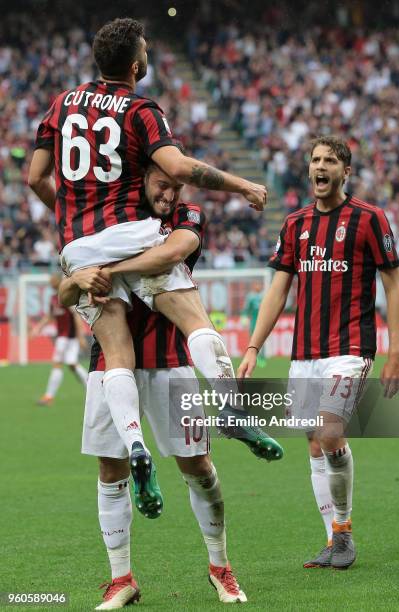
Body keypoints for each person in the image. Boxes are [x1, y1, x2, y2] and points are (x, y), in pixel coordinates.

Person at [28, 17, 268, 509]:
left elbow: (35, 178)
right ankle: (230, 406)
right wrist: (243, 185)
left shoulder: (62, 104)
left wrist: (74, 218)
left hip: (79, 247)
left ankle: (135, 444)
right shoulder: (140, 109)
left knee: (115, 351)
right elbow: (178, 168)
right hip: (132, 234)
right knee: (193, 317)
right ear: (137, 64)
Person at [59, 169, 248, 608]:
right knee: (111, 470)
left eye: (176, 186)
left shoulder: (183, 217)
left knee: (198, 466)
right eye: (162, 184)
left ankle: (220, 567)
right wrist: (81, 279)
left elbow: (175, 252)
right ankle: (121, 578)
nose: (170, 193)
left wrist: (108, 269)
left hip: (169, 362)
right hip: (109, 365)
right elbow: (65, 288)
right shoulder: (98, 224)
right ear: (139, 180)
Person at [238, 136, 399, 570]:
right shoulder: (295, 224)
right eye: (315, 159)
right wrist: (254, 346)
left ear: (345, 172)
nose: (321, 166)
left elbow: (393, 284)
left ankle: (345, 533)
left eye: (330, 160)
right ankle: (332, 539)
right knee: (314, 444)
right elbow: (278, 288)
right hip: (305, 352)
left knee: (330, 433)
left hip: (350, 347)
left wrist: (396, 352)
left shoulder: (370, 219)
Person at [30, 273, 88, 405]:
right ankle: (91, 388)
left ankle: (49, 397)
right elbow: (49, 316)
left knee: (57, 363)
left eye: (52, 279)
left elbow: (76, 316)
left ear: (58, 281)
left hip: (67, 337)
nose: (50, 282)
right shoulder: (52, 298)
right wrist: (37, 328)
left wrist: (81, 336)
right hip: (64, 337)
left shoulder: (66, 296)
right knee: (72, 364)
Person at [241, 281, 267, 368]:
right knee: (253, 340)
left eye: (259, 284)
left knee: (262, 340)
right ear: (254, 286)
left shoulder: (264, 296)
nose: (258, 286)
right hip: (254, 322)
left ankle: (262, 358)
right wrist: (244, 317)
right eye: (256, 284)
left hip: (263, 322)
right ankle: (255, 357)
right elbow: (246, 309)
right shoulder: (250, 297)